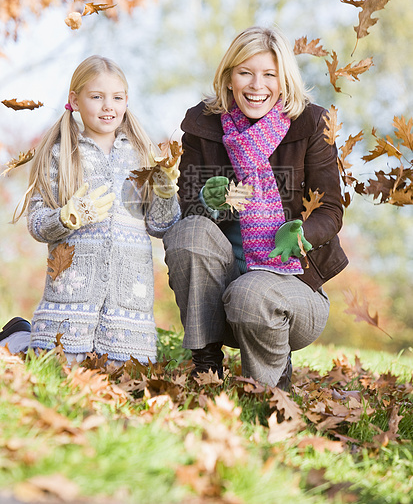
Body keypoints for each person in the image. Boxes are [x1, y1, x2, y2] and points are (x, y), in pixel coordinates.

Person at [163, 26, 348, 389]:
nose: (256, 85)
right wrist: (210, 202)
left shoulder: (310, 124)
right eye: (245, 72)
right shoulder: (202, 125)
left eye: (269, 74)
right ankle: (206, 364)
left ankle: (271, 389)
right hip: (218, 291)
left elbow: (330, 210)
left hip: (293, 288)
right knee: (188, 233)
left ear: (284, 80)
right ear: (229, 77)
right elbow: (187, 205)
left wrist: (301, 232)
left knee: (253, 293)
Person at [0, 55, 180, 366]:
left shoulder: (143, 158)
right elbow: (38, 224)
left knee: (125, 379)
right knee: (57, 366)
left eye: (117, 97)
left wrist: (165, 192)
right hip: (68, 311)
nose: (108, 106)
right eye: (96, 97)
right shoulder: (60, 155)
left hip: (127, 317)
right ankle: (19, 338)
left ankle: (24, 338)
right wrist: (66, 217)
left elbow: (162, 225)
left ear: (126, 101)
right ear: (75, 100)